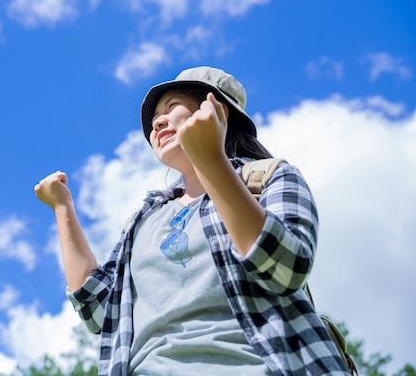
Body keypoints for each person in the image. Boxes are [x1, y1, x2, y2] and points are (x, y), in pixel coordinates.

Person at [34, 66, 350, 376]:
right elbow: (101, 312)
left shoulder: (268, 179)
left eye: (172, 107)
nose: (158, 121)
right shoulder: (144, 219)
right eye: (156, 117)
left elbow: (285, 269)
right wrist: (63, 209)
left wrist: (210, 159)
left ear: (216, 110)